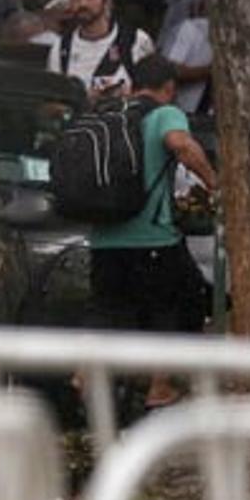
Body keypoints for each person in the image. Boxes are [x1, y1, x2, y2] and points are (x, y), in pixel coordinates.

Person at [86, 55, 218, 410]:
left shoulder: (109, 113)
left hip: (103, 237)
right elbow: (179, 143)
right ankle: (160, 386)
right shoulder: (166, 113)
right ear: (170, 88)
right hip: (152, 237)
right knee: (182, 300)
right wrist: (214, 182)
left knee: (108, 310)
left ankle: (84, 375)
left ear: (133, 83)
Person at [47, 0, 155, 97]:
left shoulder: (135, 40)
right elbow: (52, 102)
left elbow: (154, 94)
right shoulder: (61, 47)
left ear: (106, 1)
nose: (83, 3)